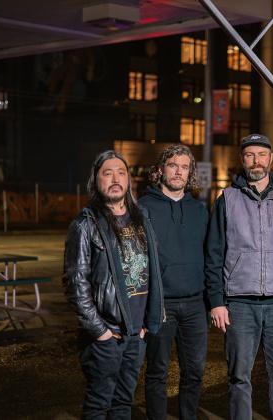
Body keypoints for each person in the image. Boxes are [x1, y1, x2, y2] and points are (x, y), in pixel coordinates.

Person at [205, 133, 273, 420]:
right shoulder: (227, 200)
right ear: (242, 159)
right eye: (250, 155)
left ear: (271, 159)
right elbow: (213, 254)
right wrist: (217, 301)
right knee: (239, 376)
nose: (256, 161)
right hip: (239, 303)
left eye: (261, 154)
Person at [63, 150, 164, 419]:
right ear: (95, 180)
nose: (115, 179)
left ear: (129, 180)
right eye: (107, 173)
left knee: (123, 405)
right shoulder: (85, 225)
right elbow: (75, 285)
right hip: (106, 336)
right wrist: (101, 332)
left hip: (136, 334)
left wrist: (146, 325)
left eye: (121, 173)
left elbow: (153, 272)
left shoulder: (142, 219)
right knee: (99, 405)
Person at [138, 145, 208, 420]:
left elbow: (210, 256)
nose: (179, 172)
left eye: (184, 167)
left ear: (190, 173)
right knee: (157, 371)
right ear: (160, 170)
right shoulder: (143, 208)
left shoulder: (200, 210)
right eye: (172, 165)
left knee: (195, 371)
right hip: (160, 303)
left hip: (195, 304)